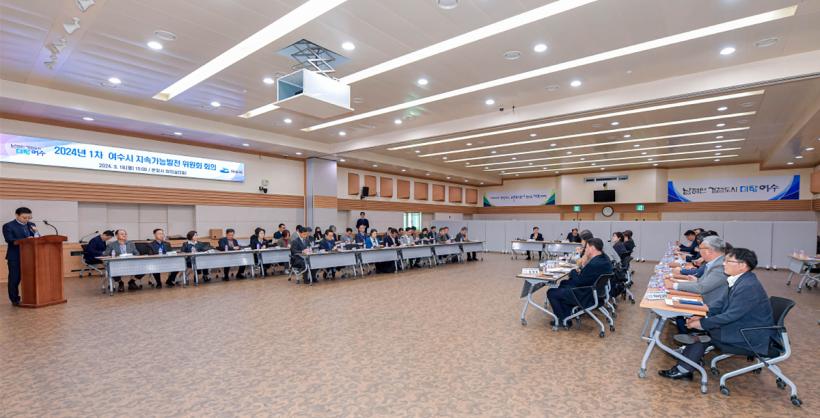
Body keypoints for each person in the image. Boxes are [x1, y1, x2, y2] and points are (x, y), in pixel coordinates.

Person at [659, 248, 775, 381]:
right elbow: (721, 305)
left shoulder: (748, 286)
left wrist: (702, 323)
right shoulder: (740, 280)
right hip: (743, 326)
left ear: (742, 265)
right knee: (702, 331)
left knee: (703, 335)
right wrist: (703, 316)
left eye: (728, 261)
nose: (723, 264)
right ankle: (688, 364)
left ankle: (684, 368)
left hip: (749, 334)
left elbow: (730, 316)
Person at [547, 238, 613, 327]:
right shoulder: (605, 259)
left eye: (586, 248)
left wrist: (573, 272)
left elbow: (578, 281)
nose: (585, 250)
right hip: (596, 293)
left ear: (592, 248)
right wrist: (581, 271)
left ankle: (562, 320)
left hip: (586, 295)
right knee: (564, 283)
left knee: (551, 292)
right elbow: (587, 276)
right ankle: (566, 317)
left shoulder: (594, 264)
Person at [3, 207, 39, 305]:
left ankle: (32, 298)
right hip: (15, 257)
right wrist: (26, 240)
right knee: (15, 279)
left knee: (31, 278)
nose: (27, 220)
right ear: (17, 215)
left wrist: (36, 235)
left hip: (30, 257)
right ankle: (15, 299)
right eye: (24, 217)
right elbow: (9, 239)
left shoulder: (31, 225)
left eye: (29, 218)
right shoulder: (8, 226)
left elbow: (37, 237)